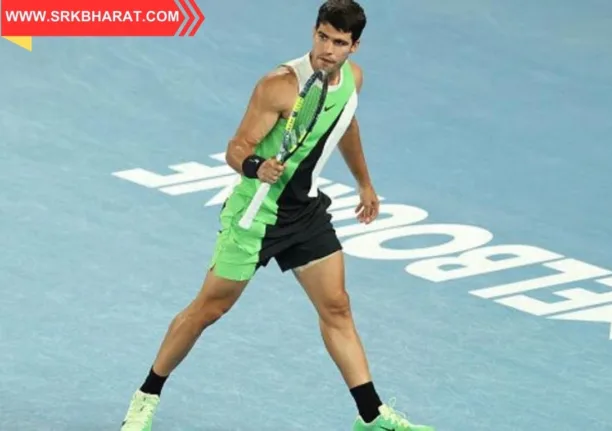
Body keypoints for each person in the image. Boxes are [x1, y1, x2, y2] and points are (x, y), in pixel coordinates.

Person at [119, 1, 435, 430]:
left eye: (339, 42)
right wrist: (255, 166)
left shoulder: (352, 81)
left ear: (354, 47)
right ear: (314, 32)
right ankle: (147, 395)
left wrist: (365, 183)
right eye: (322, 36)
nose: (327, 49)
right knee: (207, 311)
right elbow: (237, 145)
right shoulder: (280, 85)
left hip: (304, 212)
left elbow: (346, 126)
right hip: (255, 215)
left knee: (337, 307)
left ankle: (371, 416)